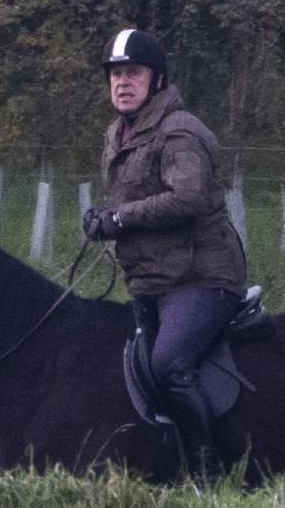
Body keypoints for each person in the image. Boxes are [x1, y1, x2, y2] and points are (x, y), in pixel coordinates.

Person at [84, 28, 247, 481]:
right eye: (116, 74)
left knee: (169, 366)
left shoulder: (180, 131)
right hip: (152, 281)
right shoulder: (117, 134)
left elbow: (188, 198)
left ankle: (205, 476)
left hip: (201, 278)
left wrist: (121, 218)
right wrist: (102, 220)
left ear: (156, 80)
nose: (122, 82)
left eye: (133, 72)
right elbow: (130, 204)